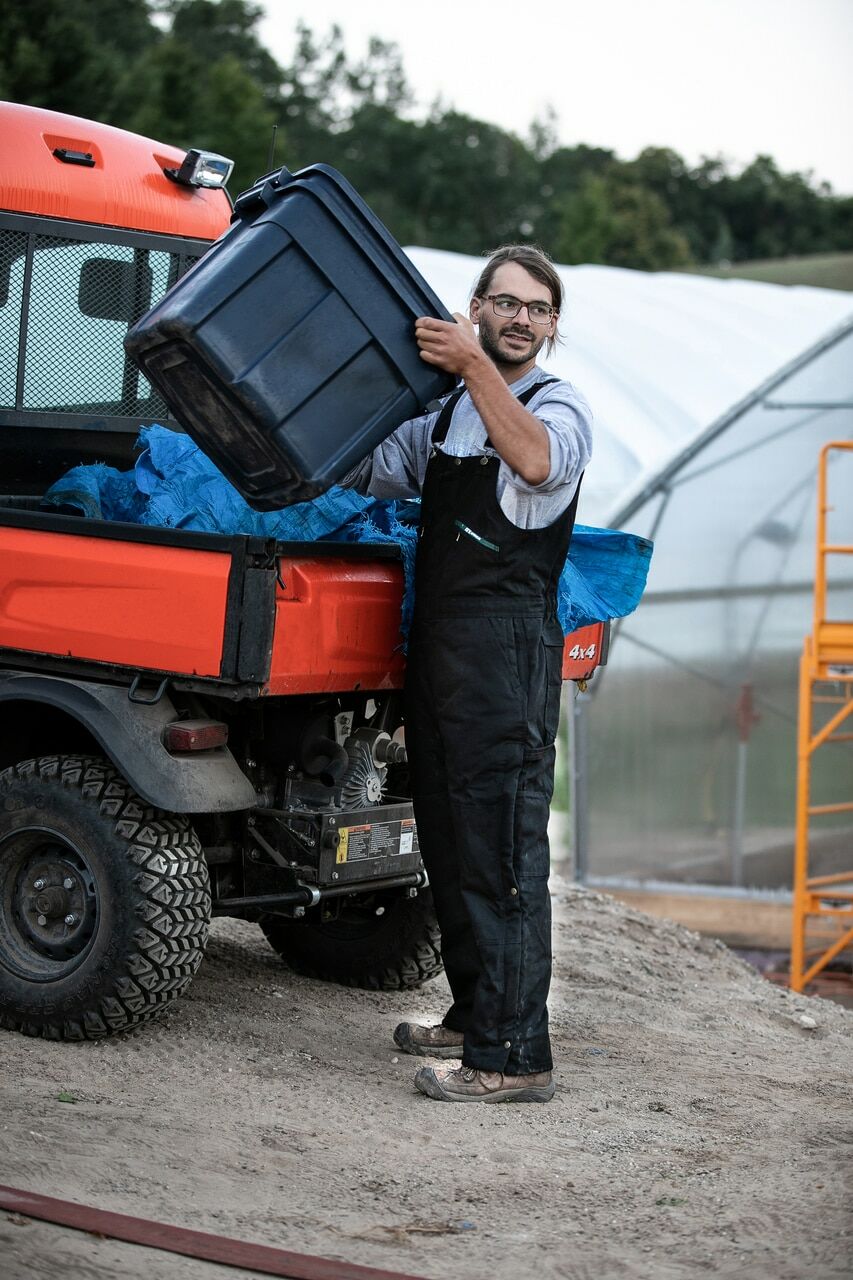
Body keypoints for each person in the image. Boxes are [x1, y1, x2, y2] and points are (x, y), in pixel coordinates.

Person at [344, 245, 592, 1103]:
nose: (521, 317)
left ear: (551, 326)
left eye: (537, 307)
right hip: (445, 647)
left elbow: (533, 463)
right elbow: (375, 466)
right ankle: (474, 1011)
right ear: (475, 306)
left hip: (506, 652)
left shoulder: (557, 407)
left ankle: (512, 1057)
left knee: (503, 851)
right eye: (505, 301)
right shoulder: (450, 408)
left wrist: (473, 363)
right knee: (450, 843)